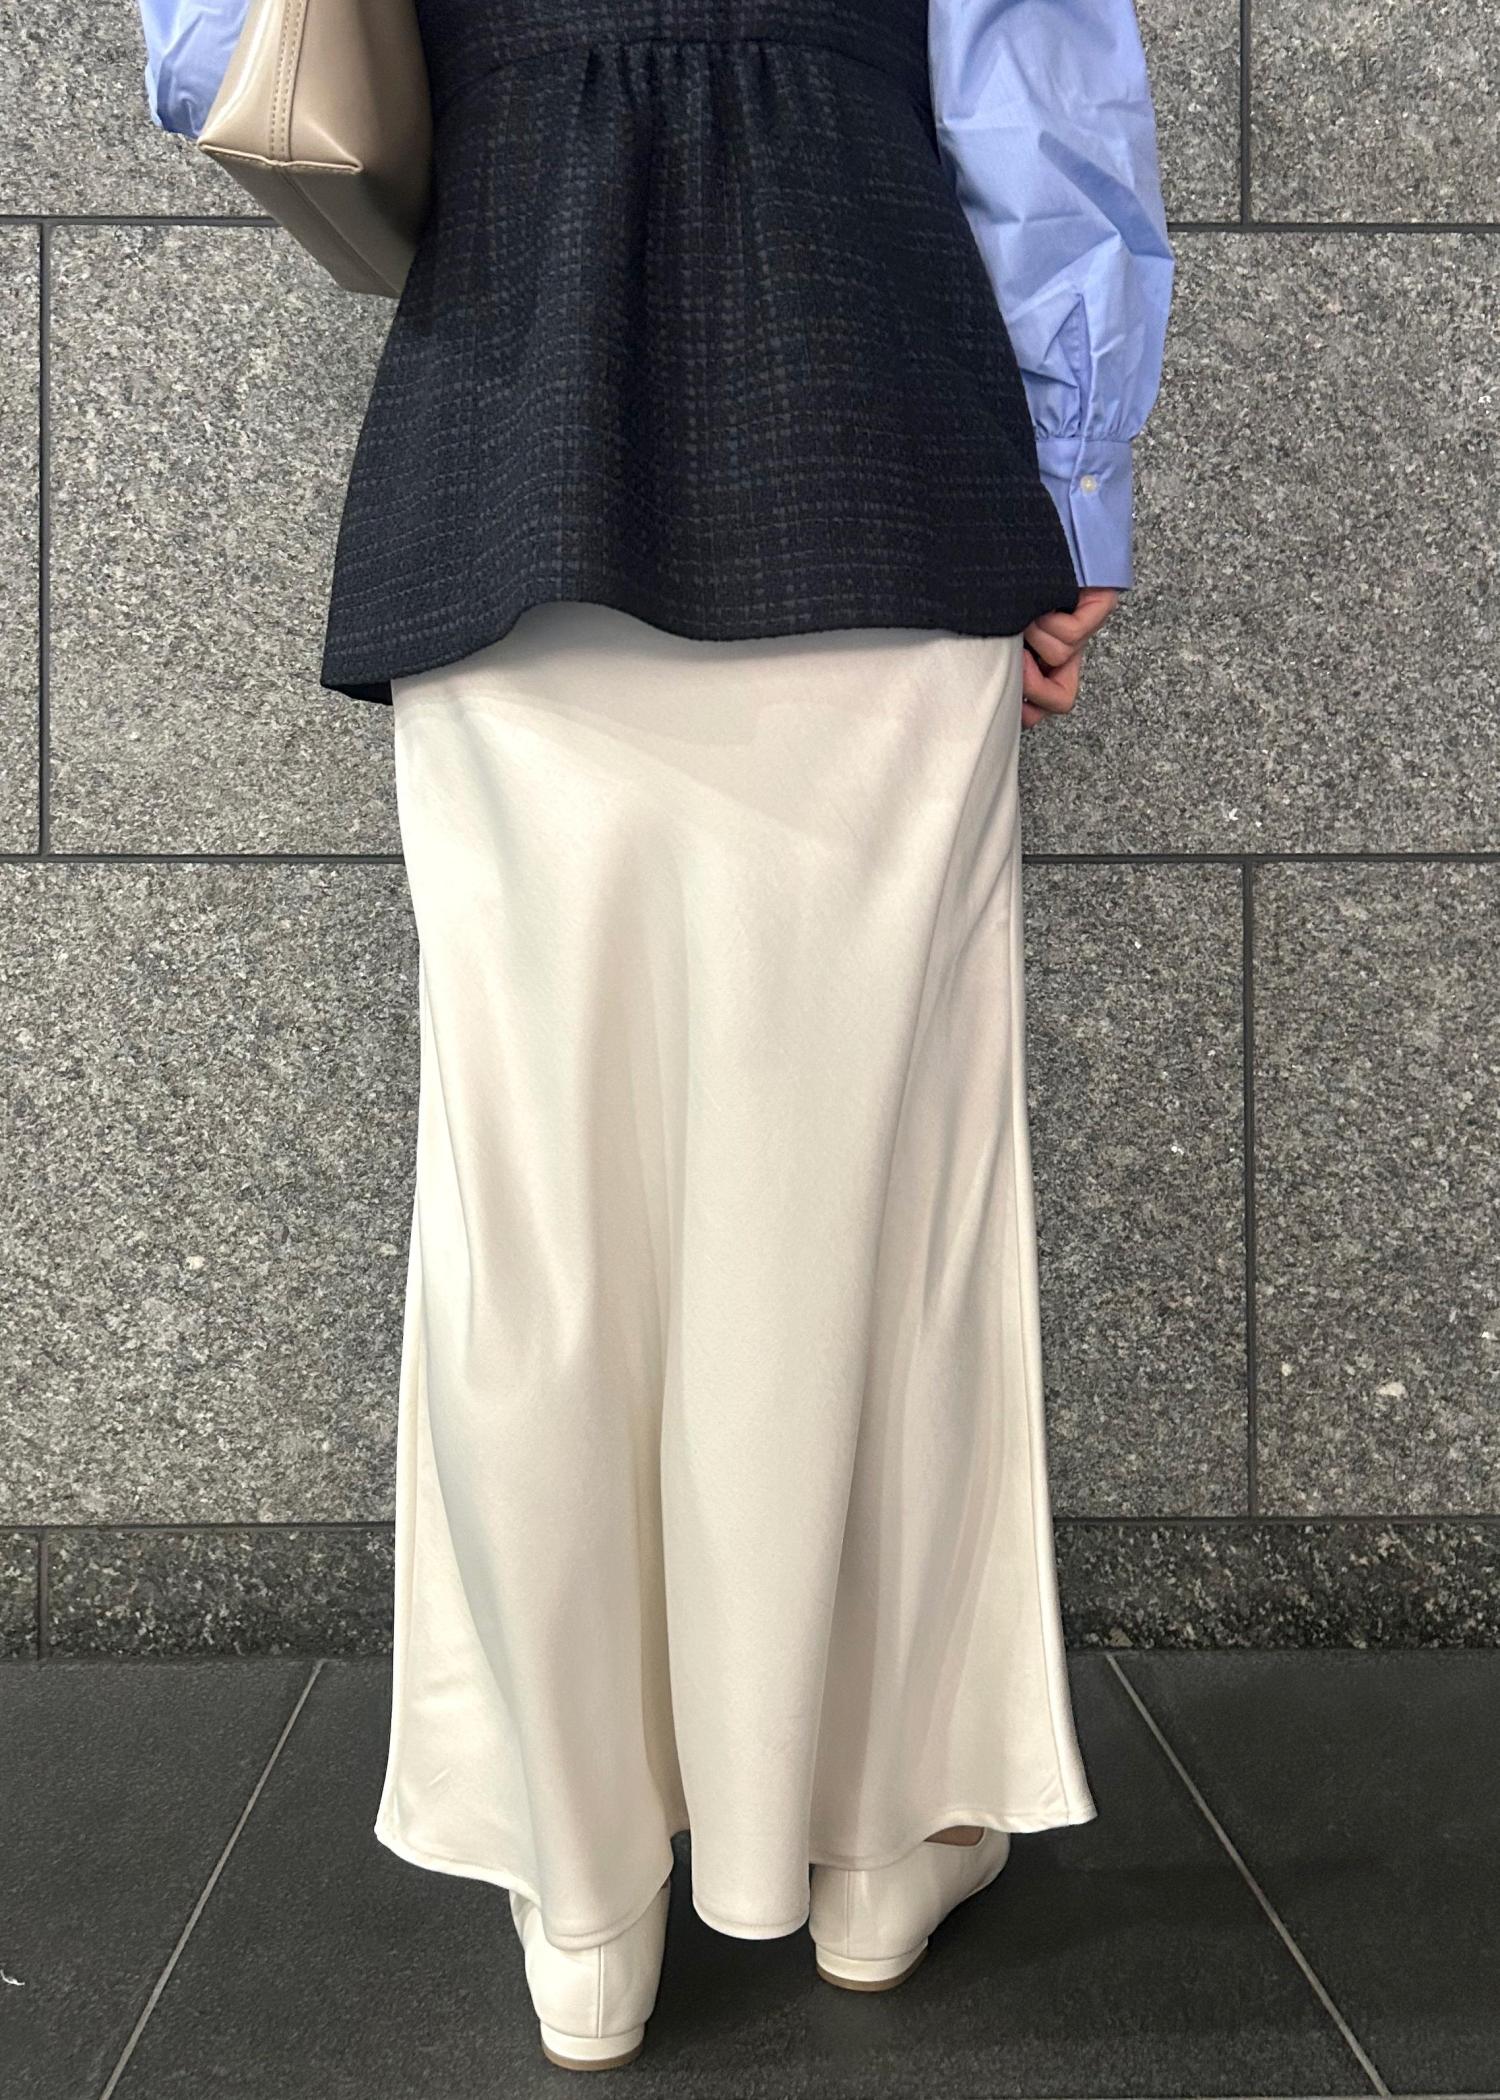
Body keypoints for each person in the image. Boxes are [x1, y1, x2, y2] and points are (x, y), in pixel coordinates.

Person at [139, 0, 1173, 2072]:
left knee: (540, 1226)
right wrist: (1074, 480)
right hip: (874, 416)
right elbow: (1041, 107)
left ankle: (585, 1889)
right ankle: (871, 1849)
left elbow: (208, 54)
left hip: (511, 412)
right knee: (872, 1202)